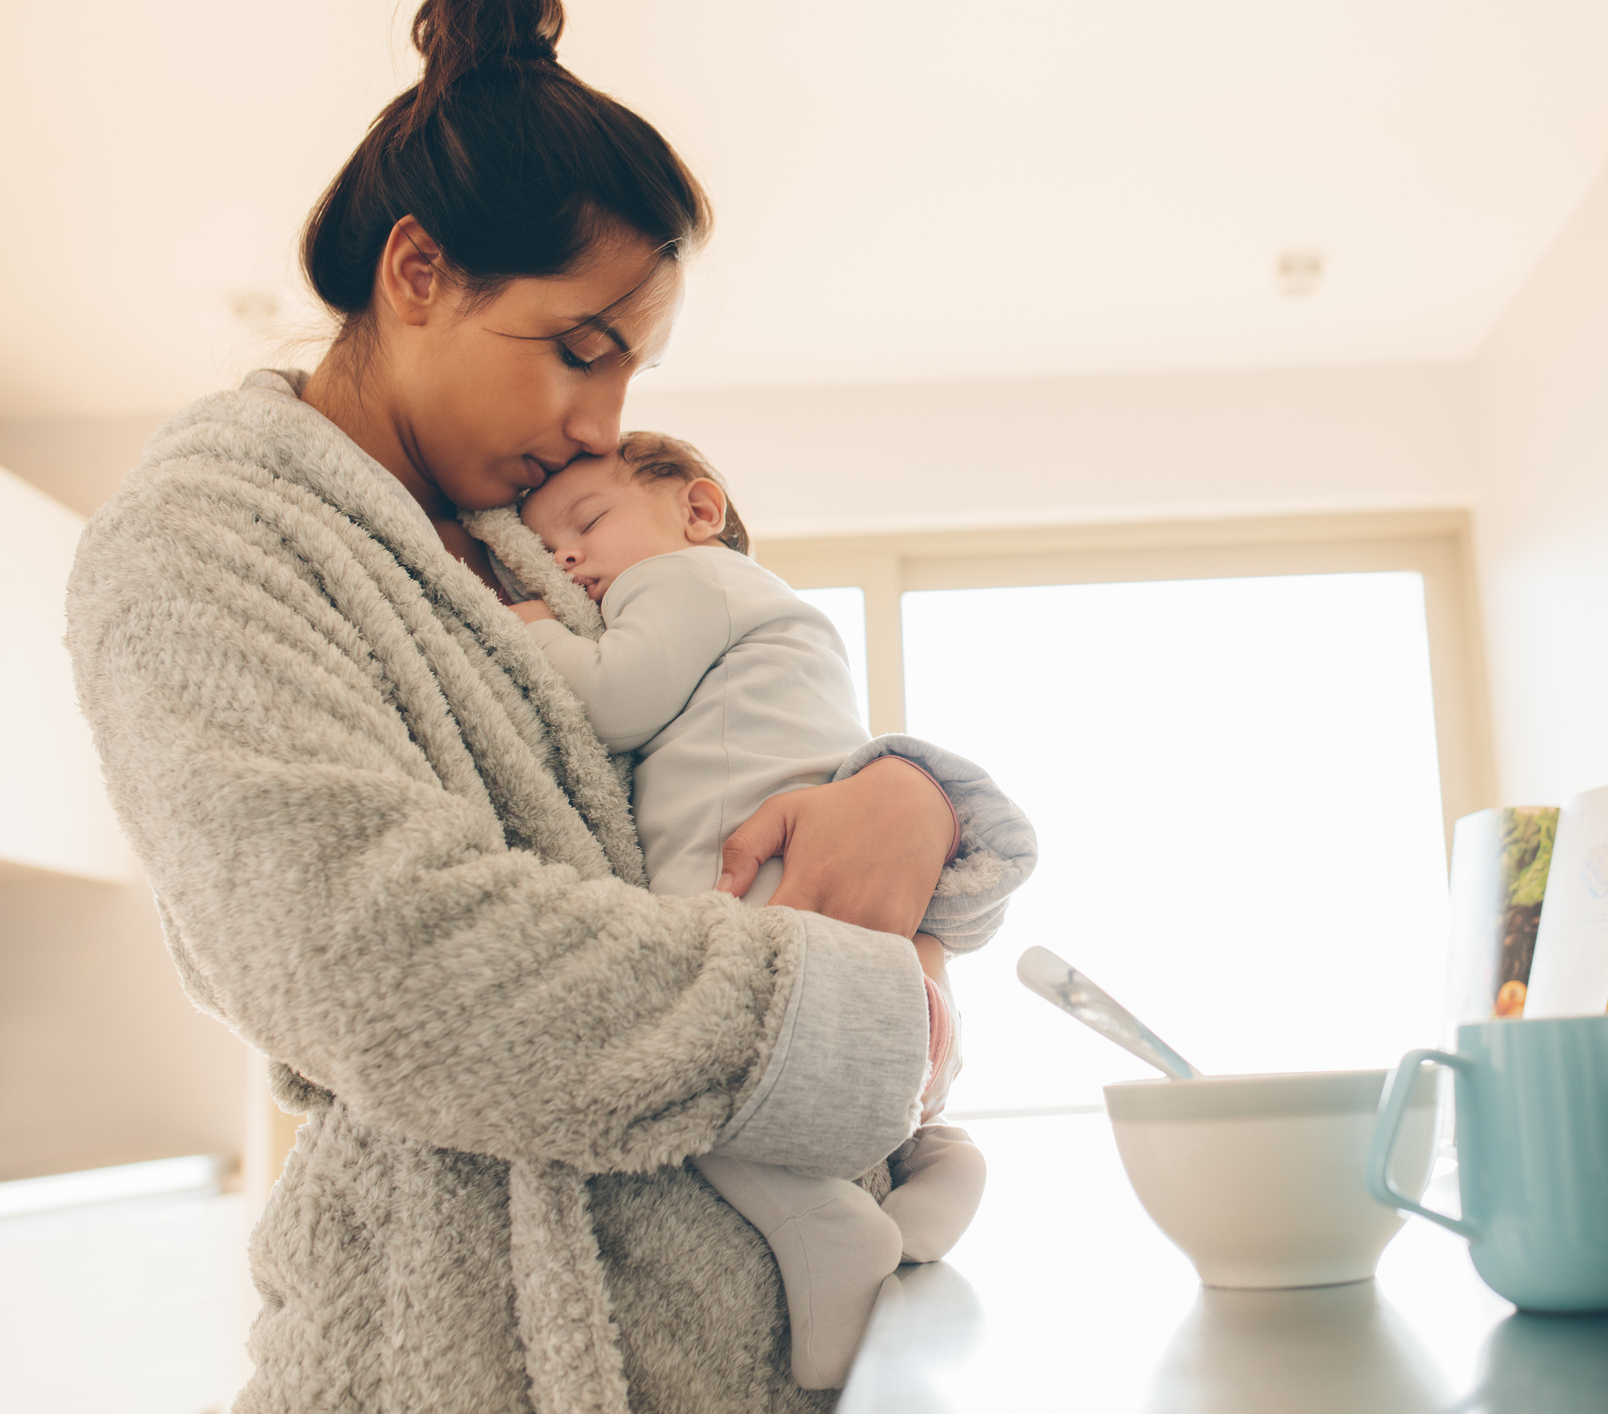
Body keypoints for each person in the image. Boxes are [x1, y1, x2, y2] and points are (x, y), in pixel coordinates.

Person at [63, 1, 1036, 1409]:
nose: (602, 421)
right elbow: (378, 962)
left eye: (631, 368)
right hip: (469, 1360)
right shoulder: (200, 542)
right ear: (417, 270)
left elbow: (731, 729)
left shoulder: (526, 547)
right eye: (579, 349)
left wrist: (910, 792)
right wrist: (845, 1013)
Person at [500, 433, 989, 1389]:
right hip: (851, 938)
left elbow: (615, 701)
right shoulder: (760, 618)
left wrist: (528, 628)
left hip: (758, 893)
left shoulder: (690, 580)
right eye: (540, 545)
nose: (561, 558)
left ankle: (823, 1222)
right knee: (861, 1084)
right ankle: (943, 1163)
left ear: (696, 509)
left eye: (586, 522)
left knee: (706, 1086)